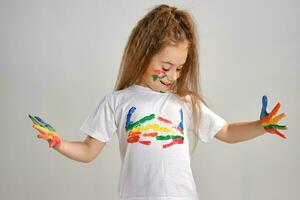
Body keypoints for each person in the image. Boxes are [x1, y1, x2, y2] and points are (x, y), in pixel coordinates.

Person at [29, 4, 287, 200]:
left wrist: (261, 125)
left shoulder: (185, 103)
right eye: (166, 66)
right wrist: (59, 143)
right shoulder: (117, 102)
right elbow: (88, 151)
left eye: (179, 68)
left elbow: (228, 132)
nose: (173, 75)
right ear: (143, 55)